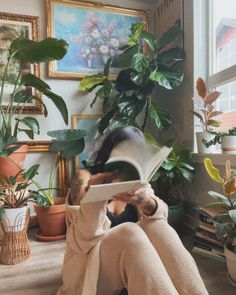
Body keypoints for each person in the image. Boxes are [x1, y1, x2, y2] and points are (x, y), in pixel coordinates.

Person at [58, 126, 208, 295]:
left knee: (158, 226)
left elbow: (162, 215)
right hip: (89, 273)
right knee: (130, 232)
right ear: (110, 151)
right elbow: (82, 240)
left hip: (132, 274)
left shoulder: (136, 182)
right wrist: (96, 195)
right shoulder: (85, 179)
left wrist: (146, 202)